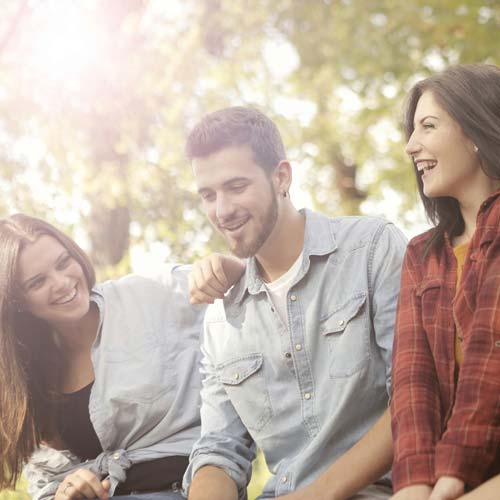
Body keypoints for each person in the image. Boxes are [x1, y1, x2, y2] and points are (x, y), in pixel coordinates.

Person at [183, 106, 408, 499]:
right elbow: (220, 450)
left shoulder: (370, 249)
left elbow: (412, 400)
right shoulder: (221, 317)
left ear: (281, 177)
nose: (222, 211)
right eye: (208, 195)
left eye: (236, 187)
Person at [0, 214, 238, 500]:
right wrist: (66, 494)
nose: (62, 283)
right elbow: (47, 485)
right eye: (38, 282)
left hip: (188, 484)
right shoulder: (27, 376)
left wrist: (224, 267)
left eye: (63, 263)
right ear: (18, 302)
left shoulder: (150, 293)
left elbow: (248, 290)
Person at [390, 63, 500, 500]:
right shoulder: (422, 254)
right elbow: (410, 381)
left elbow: (491, 349)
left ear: (476, 131)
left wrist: (451, 477)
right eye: (412, 131)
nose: (411, 146)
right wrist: (414, 485)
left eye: (428, 126)